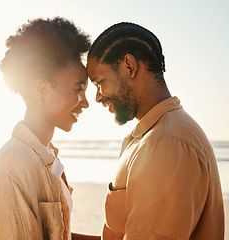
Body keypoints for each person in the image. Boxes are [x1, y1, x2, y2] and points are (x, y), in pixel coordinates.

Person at [86, 22, 225, 239]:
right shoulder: (153, 134)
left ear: (129, 66)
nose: (98, 96)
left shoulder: (167, 142)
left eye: (99, 82)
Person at [0, 17, 100, 240]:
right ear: (40, 89)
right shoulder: (12, 167)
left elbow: (57, 233)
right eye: (79, 89)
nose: (86, 102)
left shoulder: (46, 154)